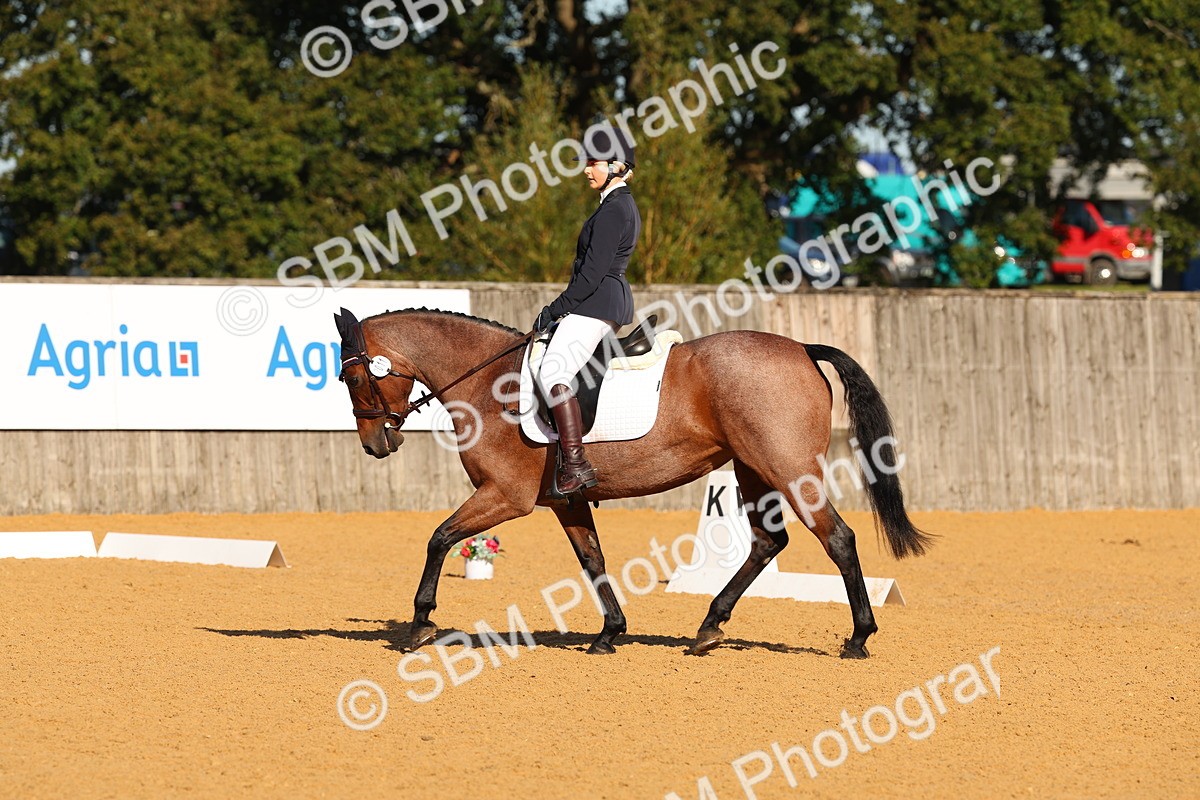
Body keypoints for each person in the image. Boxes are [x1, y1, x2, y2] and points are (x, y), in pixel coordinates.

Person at [533, 130, 641, 496]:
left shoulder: (614, 209)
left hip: (597, 301)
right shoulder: (615, 204)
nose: (586, 171)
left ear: (615, 166)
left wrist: (556, 308)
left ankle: (576, 464)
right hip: (603, 301)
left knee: (553, 370)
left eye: (593, 164)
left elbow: (591, 274)